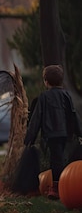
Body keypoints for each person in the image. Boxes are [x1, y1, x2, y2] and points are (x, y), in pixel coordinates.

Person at [24, 64, 82, 200]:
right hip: (65, 133)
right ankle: (61, 184)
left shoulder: (44, 97)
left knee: (56, 159)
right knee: (59, 157)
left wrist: (29, 138)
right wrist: (79, 131)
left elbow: (36, 118)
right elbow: (73, 114)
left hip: (52, 133)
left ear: (46, 81)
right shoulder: (66, 95)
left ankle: (57, 188)